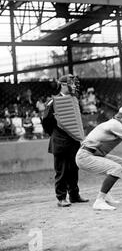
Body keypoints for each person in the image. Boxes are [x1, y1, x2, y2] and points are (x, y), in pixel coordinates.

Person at [42, 75, 89, 208]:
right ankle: (61, 198)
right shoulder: (53, 102)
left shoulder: (74, 100)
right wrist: (56, 134)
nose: (74, 86)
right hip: (60, 142)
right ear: (62, 85)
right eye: (71, 83)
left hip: (73, 141)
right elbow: (46, 122)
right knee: (61, 171)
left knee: (74, 169)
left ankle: (74, 195)